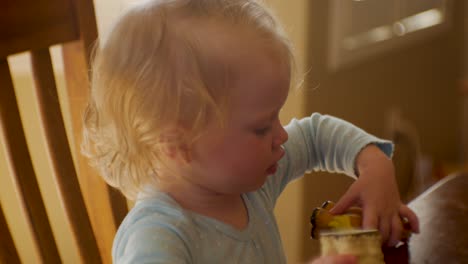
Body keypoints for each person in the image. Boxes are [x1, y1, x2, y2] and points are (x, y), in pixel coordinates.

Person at [82, 0, 419, 263]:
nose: (282, 135)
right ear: (178, 142)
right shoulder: (157, 235)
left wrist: (375, 165)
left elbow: (316, 134)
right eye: (261, 127)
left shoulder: (248, 184)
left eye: (277, 117)